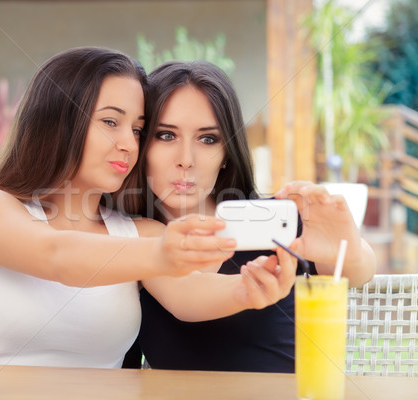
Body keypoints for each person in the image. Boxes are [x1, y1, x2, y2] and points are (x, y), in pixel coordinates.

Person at [0, 47, 298, 369]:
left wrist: (247, 289)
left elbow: (189, 294)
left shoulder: (139, 232)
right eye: (110, 122)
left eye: (137, 129)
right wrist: (161, 253)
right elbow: (56, 254)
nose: (128, 144)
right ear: (57, 121)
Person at [121, 60, 376, 372]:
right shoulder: (134, 236)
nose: (185, 160)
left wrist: (345, 249)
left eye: (207, 139)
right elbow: (187, 293)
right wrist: (246, 290)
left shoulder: (274, 218)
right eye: (166, 135)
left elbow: (360, 272)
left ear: (227, 153)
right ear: (140, 144)